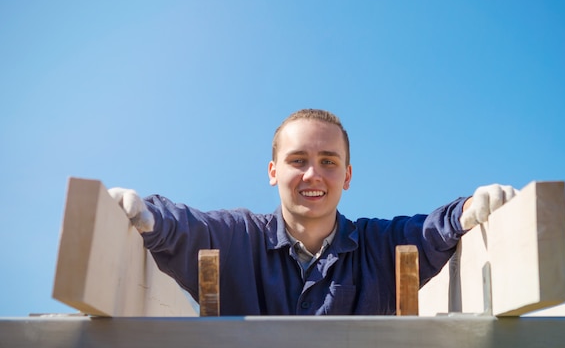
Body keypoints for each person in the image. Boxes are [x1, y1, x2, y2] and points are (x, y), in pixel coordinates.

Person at [109, 109, 516, 315]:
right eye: (297, 160)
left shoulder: (379, 247)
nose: (312, 174)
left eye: (328, 161)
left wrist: (466, 210)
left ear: (347, 175)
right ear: (273, 172)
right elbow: (189, 227)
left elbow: (428, 231)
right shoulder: (238, 239)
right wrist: (148, 214)